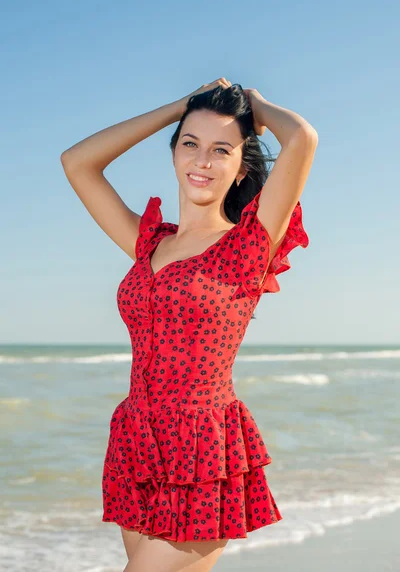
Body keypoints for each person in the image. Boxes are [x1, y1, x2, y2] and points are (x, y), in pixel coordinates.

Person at [61, 79, 318, 572]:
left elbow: (302, 139)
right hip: (137, 440)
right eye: (190, 144)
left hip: (203, 449)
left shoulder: (248, 244)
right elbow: (77, 162)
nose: (202, 160)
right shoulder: (148, 242)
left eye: (221, 150)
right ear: (174, 153)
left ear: (241, 165)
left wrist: (257, 106)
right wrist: (181, 107)